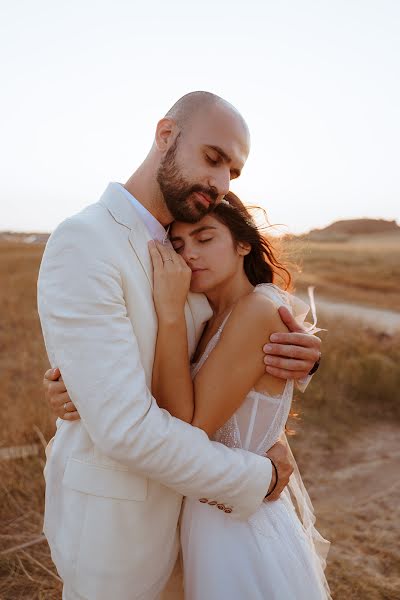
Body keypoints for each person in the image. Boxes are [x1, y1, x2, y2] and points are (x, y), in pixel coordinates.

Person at [39, 91, 322, 600]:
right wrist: (255, 475)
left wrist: (297, 366)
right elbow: (124, 425)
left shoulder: (188, 256)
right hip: (120, 535)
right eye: (213, 159)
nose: (219, 183)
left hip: (198, 534)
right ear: (166, 135)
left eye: (232, 173)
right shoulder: (86, 240)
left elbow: (219, 366)